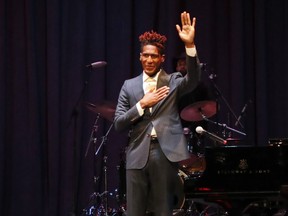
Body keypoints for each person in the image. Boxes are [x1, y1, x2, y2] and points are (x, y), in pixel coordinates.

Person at [114, 11, 201, 216]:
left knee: (163, 210)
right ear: (140, 57)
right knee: (134, 211)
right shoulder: (129, 86)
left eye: (154, 56)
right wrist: (141, 105)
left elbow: (194, 79)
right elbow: (118, 123)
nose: (150, 60)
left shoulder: (173, 81)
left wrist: (190, 46)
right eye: (146, 55)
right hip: (137, 153)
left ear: (162, 58)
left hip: (165, 151)